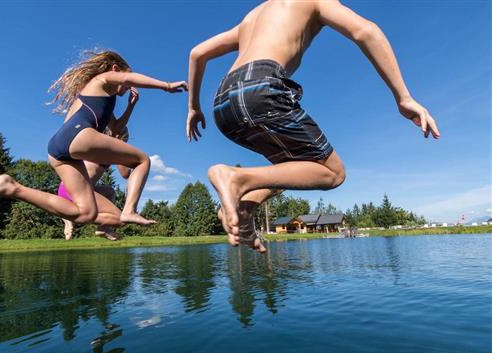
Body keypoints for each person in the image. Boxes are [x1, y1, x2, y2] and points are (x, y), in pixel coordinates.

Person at [186, 0, 440, 253]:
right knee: (332, 172)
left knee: (298, 169)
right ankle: (235, 177)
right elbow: (366, 30)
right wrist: (403, 97)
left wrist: (193, 108)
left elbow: (197, 53)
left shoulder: (252, 16)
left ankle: (246, 205)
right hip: (261, 87)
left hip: (222, 103)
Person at [0, 50, 187, 229]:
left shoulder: (101, 98)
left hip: (58, 149)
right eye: (126, 84)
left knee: (85, 213)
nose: (128, 87)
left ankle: (12, 188)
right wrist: (166, 86)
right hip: (77, 135)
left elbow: (117, 128)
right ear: (115, 69)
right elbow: (129, 77)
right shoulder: (102, 78)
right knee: (142, 160)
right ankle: (129, 210)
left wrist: (131, 106)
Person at [60, 126, 132, 241]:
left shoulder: (95, 146)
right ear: (118, 137)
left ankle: (102, 227)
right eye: (126, 139)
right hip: (76, 190)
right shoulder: (112, 149)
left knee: (110, 192)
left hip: (65, 188)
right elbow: (125, 174)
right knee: (119, 218)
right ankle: (69, 217)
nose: (126, 142)